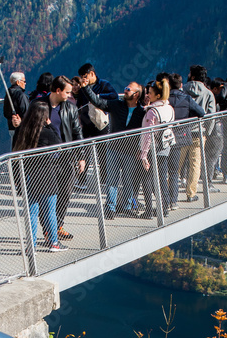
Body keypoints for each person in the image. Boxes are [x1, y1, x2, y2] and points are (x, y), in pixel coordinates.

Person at [77, 80, 144, 217]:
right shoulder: (117, 105)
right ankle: (110, 208)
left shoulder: (141, 112)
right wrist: (85, 88)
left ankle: (126, 206)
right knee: (112, 180)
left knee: (128, 180)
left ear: (136, 95)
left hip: (130, 150)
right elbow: (98, 102)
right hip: (113, 147)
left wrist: (141, 149)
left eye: (128, 89)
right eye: (125, 88)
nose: (125, 91)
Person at [11, 100, 64, 251]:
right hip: (47, 175)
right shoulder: (47, 132)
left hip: (29, 175)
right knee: (50, 211)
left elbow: (15, 153)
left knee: (32, 213)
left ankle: (31, 245)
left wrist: (17, 179)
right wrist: (51, 125)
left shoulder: (22, 131)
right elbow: (59, 143)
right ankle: (54, 242)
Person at [44, 76, 85, 239]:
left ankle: (58, 225)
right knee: (49, 194)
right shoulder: (40, 106)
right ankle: (49, 229)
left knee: (65, 192)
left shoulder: (70, 108)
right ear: (58, 90)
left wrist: (81, 156)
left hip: (66, 156)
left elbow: (77, 132)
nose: (70, 95)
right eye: (67, 92)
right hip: (46, 158)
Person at [138, 78, 175, 219]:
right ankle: (164, 207)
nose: (148, 95)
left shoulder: (152, 112)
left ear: (157, 96)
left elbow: (147, 135)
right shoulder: (169, 108)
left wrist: (143, 155)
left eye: (150, 93)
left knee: (147, 179)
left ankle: (148, 210)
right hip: (165, 148)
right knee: (161, 178)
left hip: (152, 149)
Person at [167, 72, 205, 207]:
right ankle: (188, 194)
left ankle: (167, 198)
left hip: (166, 137)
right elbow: (201, 113)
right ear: (181, 85)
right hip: (183, 136)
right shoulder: (187, 99)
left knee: (170, 170)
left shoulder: (166, 99)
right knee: (193, 164)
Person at [184, 65, 216, 201]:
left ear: (192, 76)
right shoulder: (208, 93)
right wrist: (206, 132)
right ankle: (191, 193)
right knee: (195, 164)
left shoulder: (182, 90)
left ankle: (169, 194)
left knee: (176, 165)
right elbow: (211, 115)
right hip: (199, 132)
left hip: (182, 131)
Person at [3, 71, 29, 148]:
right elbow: (26, 111)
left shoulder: (8, 94)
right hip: (22, 128)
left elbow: (6, 113)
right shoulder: (21, 95)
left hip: (11, 126)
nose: (25, 83)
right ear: (18, 82)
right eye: (24, 81)